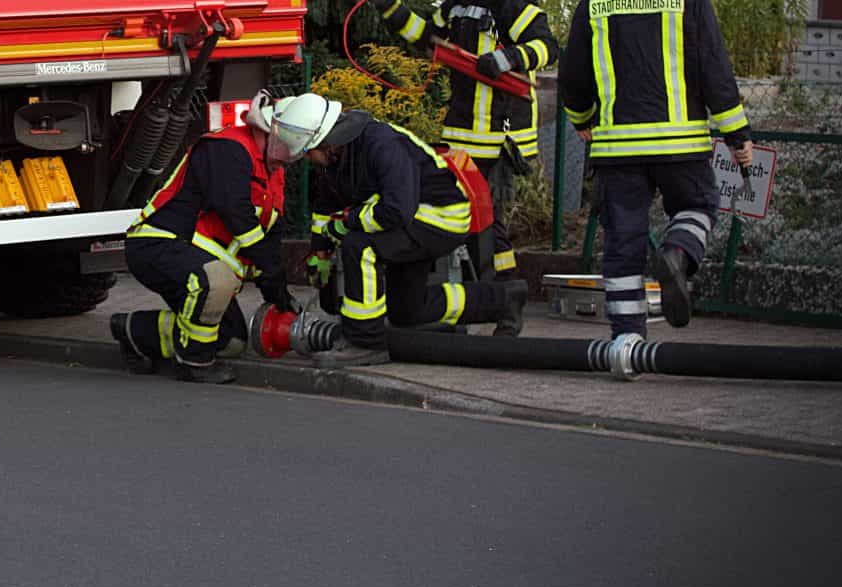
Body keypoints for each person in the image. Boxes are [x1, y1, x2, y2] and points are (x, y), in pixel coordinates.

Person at [559, 0, 752, 335]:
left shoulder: (593, 5)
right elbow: (716, 74)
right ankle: (678, 252)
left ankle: (627, 342)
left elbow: (572, 79)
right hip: (681, 148)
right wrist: (737, 136)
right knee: (698, 206)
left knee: (623, 243)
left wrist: (582, 120)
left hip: (618, 153)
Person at [363, 0, 559, 285]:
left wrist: (508, 59)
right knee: (467, 214)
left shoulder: (513, 0)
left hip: (500, 136)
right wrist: (390, 7)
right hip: (462, 132)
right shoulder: (457, 2)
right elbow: (427, 38)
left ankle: (502, 290)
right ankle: (488, 290)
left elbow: (547, 46)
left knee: (487, 218)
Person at [302, 98, 529, 367]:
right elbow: (325, 208)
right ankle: (504, 301)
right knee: (407, 310)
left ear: (325, 142)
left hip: (441, 216)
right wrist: (320, 251)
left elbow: (397, 209)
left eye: (307, 151)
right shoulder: (337, 161)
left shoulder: (381, 144)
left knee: (360, 245)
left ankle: (365, 343)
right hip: (410, 219)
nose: (306, 158)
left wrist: (349, 221)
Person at [111, 96, 300, 383]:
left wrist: (278, 292)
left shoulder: (274, 174)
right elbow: (236, 213)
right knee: (215, 281)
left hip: (194, 257)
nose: (288, 156)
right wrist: (270, 271)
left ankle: (133, 331)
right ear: (266, 130)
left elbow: (268, 238)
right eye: (287, 145)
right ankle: (194, 363)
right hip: (157, 243)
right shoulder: (227, 148)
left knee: (230, 341)